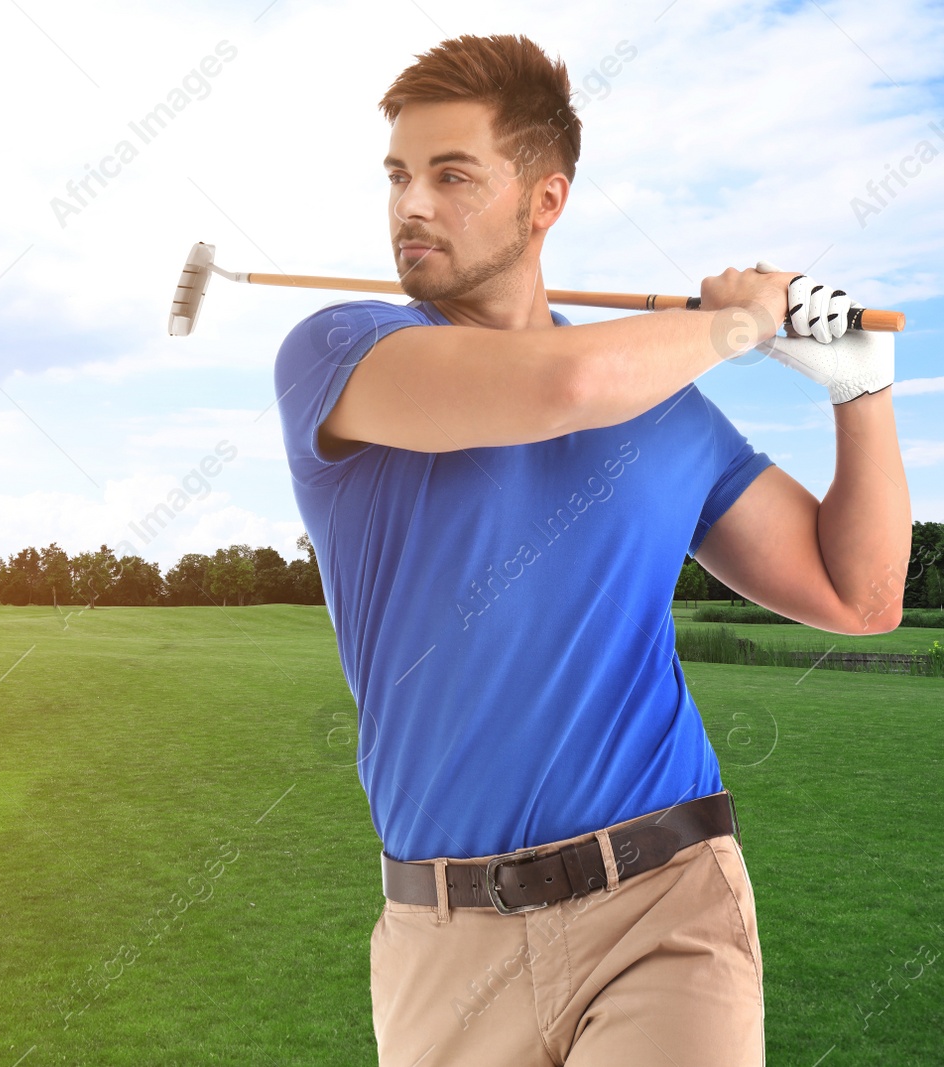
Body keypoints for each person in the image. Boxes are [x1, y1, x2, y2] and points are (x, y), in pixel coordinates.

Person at [273, 32, 909, 1067]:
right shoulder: (339, 354)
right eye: (397, 176)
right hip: (443, 942)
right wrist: (740, 325)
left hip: (665, 902)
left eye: (451, 175)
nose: (411, 206)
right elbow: (555, 386)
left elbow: (860, 594)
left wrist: (859, 389)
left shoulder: (667, 410)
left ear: (545, 200)